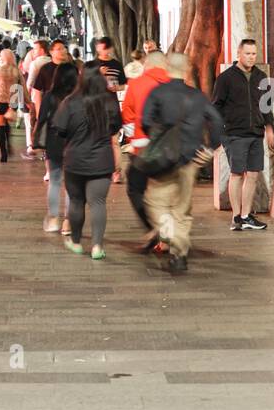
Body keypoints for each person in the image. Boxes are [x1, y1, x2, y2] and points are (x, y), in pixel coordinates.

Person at [140, 52, 225, 274]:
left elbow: (146, 121)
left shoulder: (158, 93)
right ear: (187, 69)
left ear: (167, 66)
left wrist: (159, 139)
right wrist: (210, 148)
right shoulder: (197, 96)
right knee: (182, 208)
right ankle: (179, 255)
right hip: (191, 159)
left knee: (156, 202)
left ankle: (172, 238)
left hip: (164, 159)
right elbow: (216, 120)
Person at [52, 63, 122, 259]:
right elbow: (116, 127)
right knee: (98, 203)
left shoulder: (70, 102)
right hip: (102, 160)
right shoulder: (109, 101)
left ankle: (75, 242)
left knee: (76, 201)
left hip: (76, 160)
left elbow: (60, 129)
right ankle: (97, 246)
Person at [212, 38, 274, 231]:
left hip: (256, 134)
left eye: (254, 53)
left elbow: (266, 107)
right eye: (247, 53)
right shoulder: (226, 78)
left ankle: (247, 216)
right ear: (239, 54)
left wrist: (270, 129)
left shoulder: (261, 78)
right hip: (234, 134)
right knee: (237, 174)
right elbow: (216, 106)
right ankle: (236, 217)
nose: (251, 57)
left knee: (254, 174)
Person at [121, 48, 171, 250]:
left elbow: (128, 116)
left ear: (147, 64)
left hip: (144, 150)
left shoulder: (136, 84)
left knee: (135, 187)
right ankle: (166, 238)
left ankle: (153, 228)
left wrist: (135, 142)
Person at [35, 61, 78, 232]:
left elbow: (42, 120)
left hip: (54, 142)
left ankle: (53, 219)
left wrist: (37, 141)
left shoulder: (50, 96)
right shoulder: (80, 97)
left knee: (54, 181)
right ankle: (68, 222)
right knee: (71, 184)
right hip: (75, 143)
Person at [0, 47, 28, 162]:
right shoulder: (16, 71)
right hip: (13, 101)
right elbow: (22, 88)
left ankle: (3, 153)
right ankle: (8, 143)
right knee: (6, 122)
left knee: (0, 126)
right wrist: (28, 102)